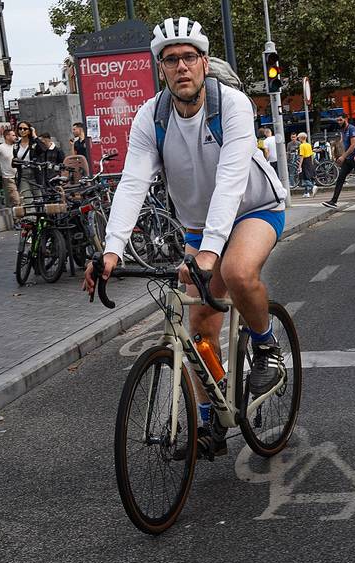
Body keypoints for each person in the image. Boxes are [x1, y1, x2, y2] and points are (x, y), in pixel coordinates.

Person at [88, 16, 288, 458]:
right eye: (171, 59)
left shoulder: (232, 105)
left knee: (236, 271)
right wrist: (111, 250)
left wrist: (209, 254)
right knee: (198, 328)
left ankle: (267, 346)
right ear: (161, 68)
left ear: (203, 62)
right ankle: (208, 421)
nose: (182, 67)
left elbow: (232, 180)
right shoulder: (151, 116)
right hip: (202, 226)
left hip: (254, 209)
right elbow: (133, 183)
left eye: (189, 57)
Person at [322, 114, 355, 209]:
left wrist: (343, 156)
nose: (339, 122)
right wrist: (338, 155)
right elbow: (343, 144)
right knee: (340, 178)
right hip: (348, 159)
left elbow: (353, 145)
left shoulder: (352, 129)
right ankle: (333, 201)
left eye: (340, 120)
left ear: (346, 119)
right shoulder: (343, 131)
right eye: (337, 120)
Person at [13, 121, 46, 200]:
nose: (22, 130)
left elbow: (43, 149)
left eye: (25, 129)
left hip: (35, 173)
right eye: (20, 128)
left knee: (39, 199)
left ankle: (40, 212)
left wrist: (35, 136)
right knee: (27, 200)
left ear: (29, 130)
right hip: (23, 174)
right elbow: (15, 158)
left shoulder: (34, 143)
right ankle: (31, 212)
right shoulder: (16, 145)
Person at [0, 128, 21, 206]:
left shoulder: (17, 147)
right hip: (8, 177)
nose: (15, 137)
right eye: (13, 135)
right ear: (7, 136)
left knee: (20, 198)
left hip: (19, 176)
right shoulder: (0, 148)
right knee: (16, 199)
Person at [296, 132, 315, 197]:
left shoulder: (301, 146)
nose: (298, 139)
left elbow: (302, 156)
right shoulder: (309, 145)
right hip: (309, 160)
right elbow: (311, 154)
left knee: (304, 177)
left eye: (298, 138)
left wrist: (299, 166)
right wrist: (312, 162)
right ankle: (306, 193)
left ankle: (313, 187)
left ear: (301, 138)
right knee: (308, 176)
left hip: (305, 162)